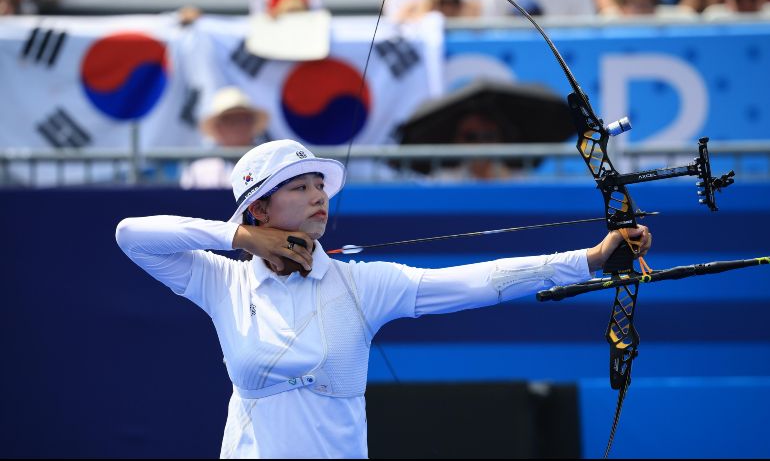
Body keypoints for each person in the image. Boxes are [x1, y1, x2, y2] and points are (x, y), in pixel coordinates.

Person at [115, 139, 652, 458]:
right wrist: (239, 239)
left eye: (319, 186)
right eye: (298, 187)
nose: (318, 195)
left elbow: (478, 281)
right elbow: (131, 234)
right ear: (259, 208)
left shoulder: (364, 285)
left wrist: (592, 257)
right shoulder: (222, 281)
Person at [179, 87, 269, 189]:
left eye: (244, 119)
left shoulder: (269, 166)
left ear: (252, 124)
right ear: (218, 128)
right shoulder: (198, 171)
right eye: (231, 120)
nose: (238, 126)